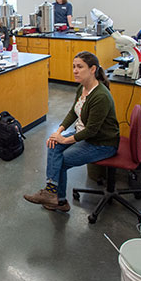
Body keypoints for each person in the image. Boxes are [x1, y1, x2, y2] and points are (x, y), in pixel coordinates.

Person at [23, 51, 119, 212]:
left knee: (61, 160)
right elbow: (74, 112)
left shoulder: (100, 96)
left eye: (80, 67)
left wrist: (66, 140)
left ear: (92, 69)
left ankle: (58, 199)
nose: (75, 70)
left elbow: (91, 131)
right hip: (85, 135)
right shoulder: (82, 87)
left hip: (102, 143)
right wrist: (59, 132)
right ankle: (53, 194)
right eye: (74, 66)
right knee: (53, 144)